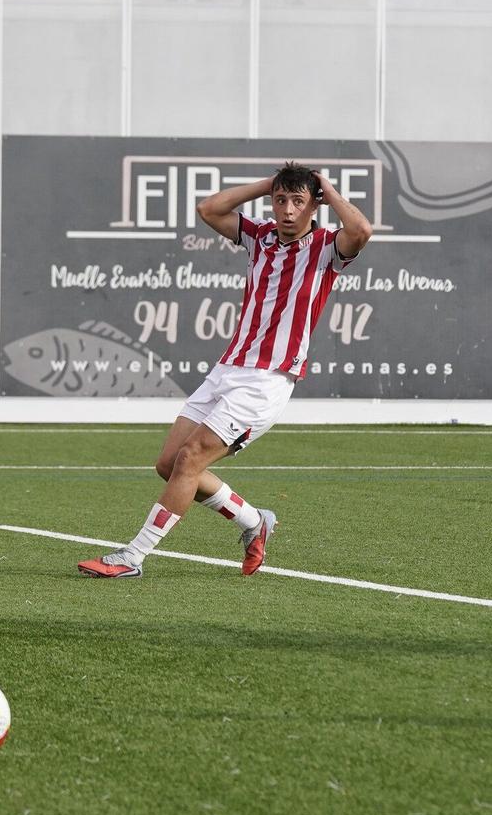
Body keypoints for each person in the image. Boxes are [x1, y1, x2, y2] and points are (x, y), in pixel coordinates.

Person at [77, 164, 373, 580]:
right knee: (169, 463)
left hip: (268, 379)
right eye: (281, 200)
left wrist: (327, 188)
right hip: (229, 368)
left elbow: (361, 230)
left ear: (314, 206)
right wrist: (268, 185)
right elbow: (209, 209)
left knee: (190, 459)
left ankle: (133, 556)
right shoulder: (260, 237)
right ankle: (254, 521)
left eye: (298, 201)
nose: (288, 210)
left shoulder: (327, 247)